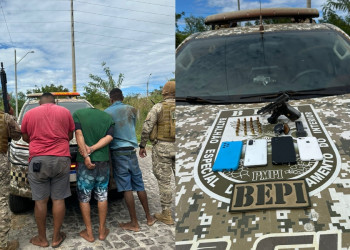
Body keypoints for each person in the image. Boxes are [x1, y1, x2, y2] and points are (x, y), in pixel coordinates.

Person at [21, 93, 75, 248]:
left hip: (38, 160)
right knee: (59, 199)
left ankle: (42, 239)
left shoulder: (29, 113)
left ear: (39, 102)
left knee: (40, 201)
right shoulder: (65, 112)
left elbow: (25, 137)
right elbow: (69, 135)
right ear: (55, 101)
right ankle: (56, 238)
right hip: (62, 159)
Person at [105, 88, 156, 232]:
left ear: (111, 99)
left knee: (126, 187)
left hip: (117, 152)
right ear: (122, 97)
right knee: (139, 183)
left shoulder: (106, 113)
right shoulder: (132, 109)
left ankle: (134, 222)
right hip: (131, 151)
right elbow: (132, 127)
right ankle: (149, 218)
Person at [73, 107, 114, 242]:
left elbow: (79, 135)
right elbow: (109, 137)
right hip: (103, 160)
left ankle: (89, 233)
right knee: (102, 194)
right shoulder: (107, 117)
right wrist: (93, 148)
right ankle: (102, 232)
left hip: (85, 163)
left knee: (84, 196)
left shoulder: (78, 114)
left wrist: (86, 155)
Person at [139, 81, 176, 225]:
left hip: (162, 148)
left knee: (164, 182)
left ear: (164, 92)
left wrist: (142, 145)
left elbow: (147, 127)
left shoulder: (158, 107)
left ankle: (167, 214)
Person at [0, 104, 21, 250]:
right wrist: (12, 116)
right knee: (1, 201)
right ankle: (2, 244)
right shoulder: (5, 117)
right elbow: (17, 135)